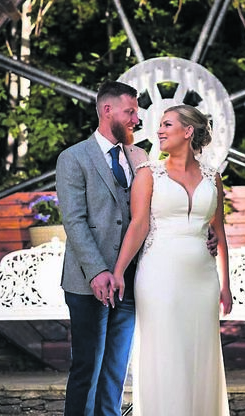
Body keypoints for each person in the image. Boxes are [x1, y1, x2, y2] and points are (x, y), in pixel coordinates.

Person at [112, 104, 232, 416]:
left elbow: (218, 231)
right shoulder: (148, 174)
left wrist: (226, 286)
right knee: (165, 352)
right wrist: (118, 272)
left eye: (167, 124)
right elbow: (138, 226)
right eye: (160, 125)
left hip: (203, 279)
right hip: (158, 276)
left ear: (188, 131)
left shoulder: (213, 177)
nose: (159, 131)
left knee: (200, 353)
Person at [56, 80, 146, 416]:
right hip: (87, 283)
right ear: (108, 110)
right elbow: (75, 221)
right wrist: (98, 271)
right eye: (131, 111)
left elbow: (147, 215)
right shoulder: (73, 158)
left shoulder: (139, 157)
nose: (137, 119)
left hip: (130, 280)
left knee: (116, 370)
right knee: (87, 368)